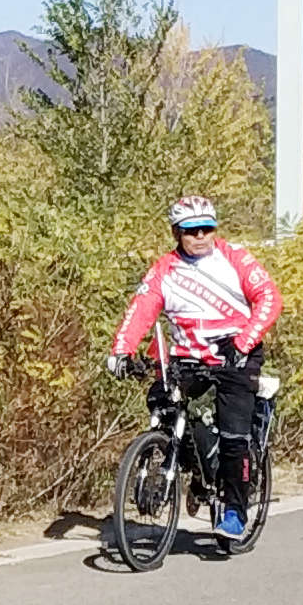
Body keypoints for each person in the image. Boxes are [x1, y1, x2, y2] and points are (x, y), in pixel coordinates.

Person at [105, 197, 280, 542]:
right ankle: (198, 468)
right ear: (176, 233)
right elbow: (141, 310)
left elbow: (269, 298)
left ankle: (234, 510)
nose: (200, 236)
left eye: (206, 229)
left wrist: (242, 343)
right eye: (191, 231)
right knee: (162, 403)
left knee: (233, 435)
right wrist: (122, 352)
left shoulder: (235, 258)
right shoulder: (164, 269)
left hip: (236, 354)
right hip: (188, 355)